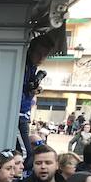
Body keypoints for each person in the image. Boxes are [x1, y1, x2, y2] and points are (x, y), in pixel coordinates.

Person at [18, 35, 54, 163]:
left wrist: (33, 91)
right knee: (25, 155)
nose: (41, 58)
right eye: (39, 53)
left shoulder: (31, 66)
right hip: (19, 115)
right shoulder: (23, 65)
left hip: (23, 115)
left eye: (45, 55)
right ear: (31, 50)